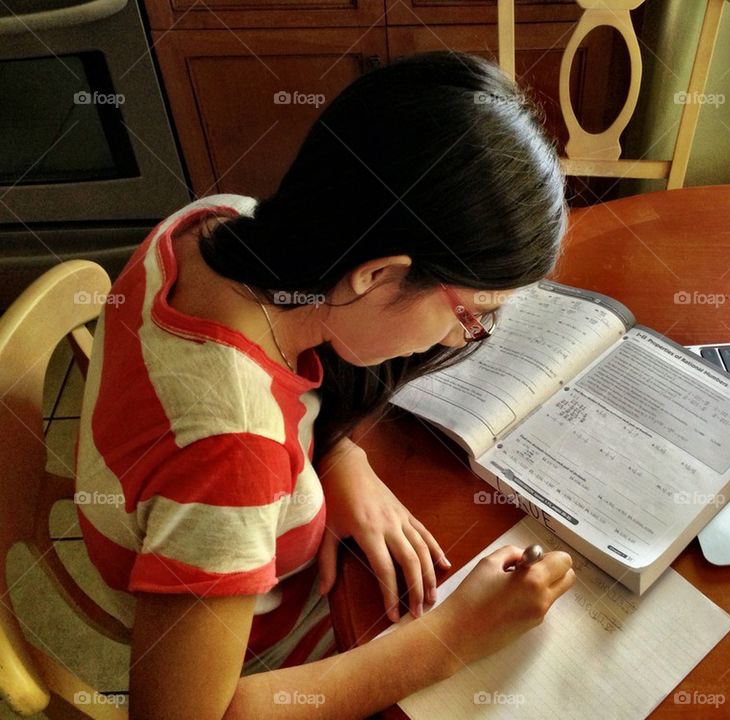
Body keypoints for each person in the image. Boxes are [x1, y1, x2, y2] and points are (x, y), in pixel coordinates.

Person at [75, 50, 576, 719]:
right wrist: (452, 639)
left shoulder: (217, 220)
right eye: (470, 315)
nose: (464, 339)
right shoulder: (233, 455)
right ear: (377, 275)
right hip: (268, 655)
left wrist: (338, 456)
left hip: (242, 560)